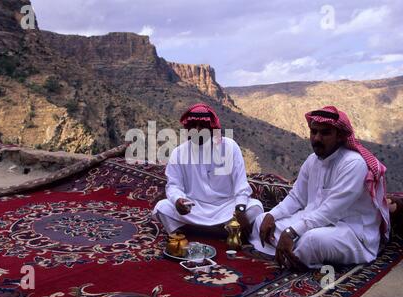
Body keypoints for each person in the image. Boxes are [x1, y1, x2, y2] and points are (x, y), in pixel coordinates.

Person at [250, 106, 390, 269]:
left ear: (339, 136)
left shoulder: (354, 163)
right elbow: (297, 197)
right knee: (261, 220)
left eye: (325, 133)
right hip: (312, 219)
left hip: (351, 231)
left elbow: (331, 211)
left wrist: (291, 232)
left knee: (311, 240)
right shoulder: (312, 160)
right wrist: (272, 215)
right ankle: (290, 252)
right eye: (314, 132)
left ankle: (291, 252)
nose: (317, 138)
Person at [153, 103, 263, 240]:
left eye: (202, 126)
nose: (198, 129)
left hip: (227, 207)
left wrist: (240, 211)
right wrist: (178, 200)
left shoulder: (229, 147)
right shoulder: (179, 153)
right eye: (194, 125)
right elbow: (173, 186)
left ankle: (195, 232)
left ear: (211, 127)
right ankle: (221, 233)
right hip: (194, 208)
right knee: (162, 208)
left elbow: (241, 185)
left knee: (256, 208)